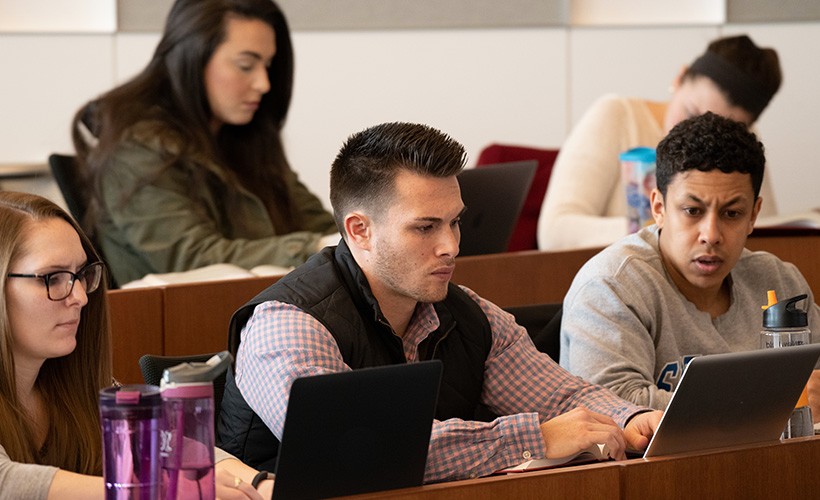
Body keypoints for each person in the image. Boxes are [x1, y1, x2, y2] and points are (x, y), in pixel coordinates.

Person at [218, 122, 662, 483]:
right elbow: (356, 451)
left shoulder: (470, 313)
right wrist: (537, 439)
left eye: (455, 223)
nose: (451, 245)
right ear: (359, 230)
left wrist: (632, 418)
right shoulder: (288, 324)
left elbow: (561, 396)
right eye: (426, 227)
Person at [0, 191, 271, 499]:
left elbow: (176, 447)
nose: (80, 297)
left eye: (81, 275)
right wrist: (164, 490)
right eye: (52, 278)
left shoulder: (79, 385)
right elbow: (7, 482)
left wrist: (260, 484)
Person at [559, 112, 820, 413]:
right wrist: (771, 402)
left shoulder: (779, 282)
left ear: (754, 215)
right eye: (693, 211)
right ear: (659, 207)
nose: (711, 235)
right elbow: (613, 406)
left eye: (732, 214)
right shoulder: (611, 286)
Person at [72, 0, 337, 286]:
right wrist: (316, 247)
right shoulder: (136, 148)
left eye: (268, 66)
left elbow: (315, 222)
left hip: (257, 312)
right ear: (193, 58)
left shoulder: (242, 136)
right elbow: (193, 258)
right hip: (181, 320)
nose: (263, 83)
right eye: (246, 65)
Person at [537, 34, 782, 251]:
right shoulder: (616, 116)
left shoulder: (741, 142)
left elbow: (764, 234)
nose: (700, 134)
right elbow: (555, 231)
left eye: (724, 130)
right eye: (691, 113)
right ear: (679, 78)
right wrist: (667, 227)